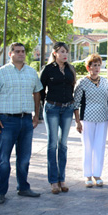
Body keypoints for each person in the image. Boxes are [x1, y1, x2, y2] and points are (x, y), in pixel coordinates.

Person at [0, 42, 43, 204]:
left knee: (24, 157)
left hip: (26, 120)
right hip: (7, 121)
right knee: (4, 159)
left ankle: (23, 187)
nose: (21, 54)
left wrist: (36, 115)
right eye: (17, 51)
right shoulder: (1, 73)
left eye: (23, 51)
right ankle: (0, 192)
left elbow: (37, 93)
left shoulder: (32, 72)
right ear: (10, 54)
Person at [73, 53, 108, 187]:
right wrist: (77, 122)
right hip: (87, 119)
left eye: (98, 65)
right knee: (88, 147)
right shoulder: (82, 83)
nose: (97, 68)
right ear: (88, 67)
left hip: (103, 118)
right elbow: (76, 103)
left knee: (99, 147)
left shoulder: (104, 81)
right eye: (94, 65)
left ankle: (97, 174)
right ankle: (88, 175)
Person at [40, 41, 76, 194]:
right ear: (54, 53)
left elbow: (72, 88)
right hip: (52, 108)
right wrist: (41, 110)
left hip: (67, 109)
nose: (65, 54)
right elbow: (40, 91)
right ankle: (53, 181)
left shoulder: (70, 69)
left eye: (66, 51)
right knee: (52, 144)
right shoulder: (47, 70)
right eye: (61, 51)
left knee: (63, 145)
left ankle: (62, 179)